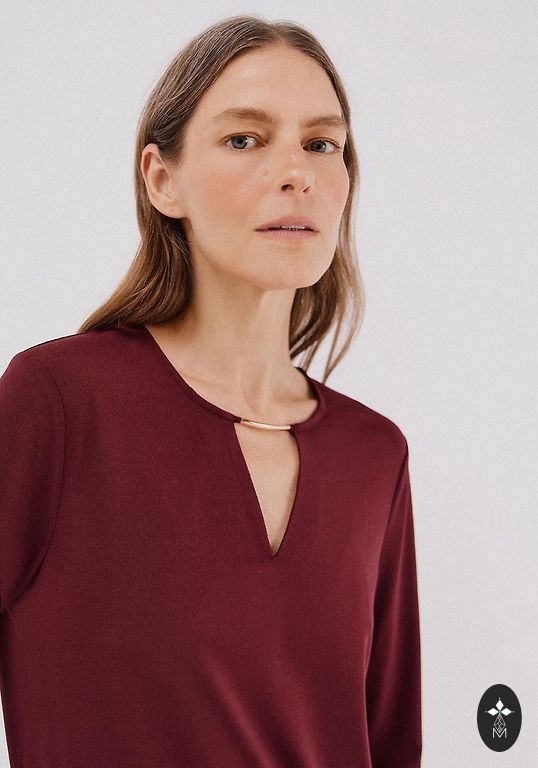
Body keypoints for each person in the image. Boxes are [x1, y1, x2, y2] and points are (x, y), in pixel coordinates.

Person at [0, 14, 422, 768]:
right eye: (245, 139)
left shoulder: (374, 456)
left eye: (321, 144)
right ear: (162, 180)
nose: (296, 172)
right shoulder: (59, 404)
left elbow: (390, 744)